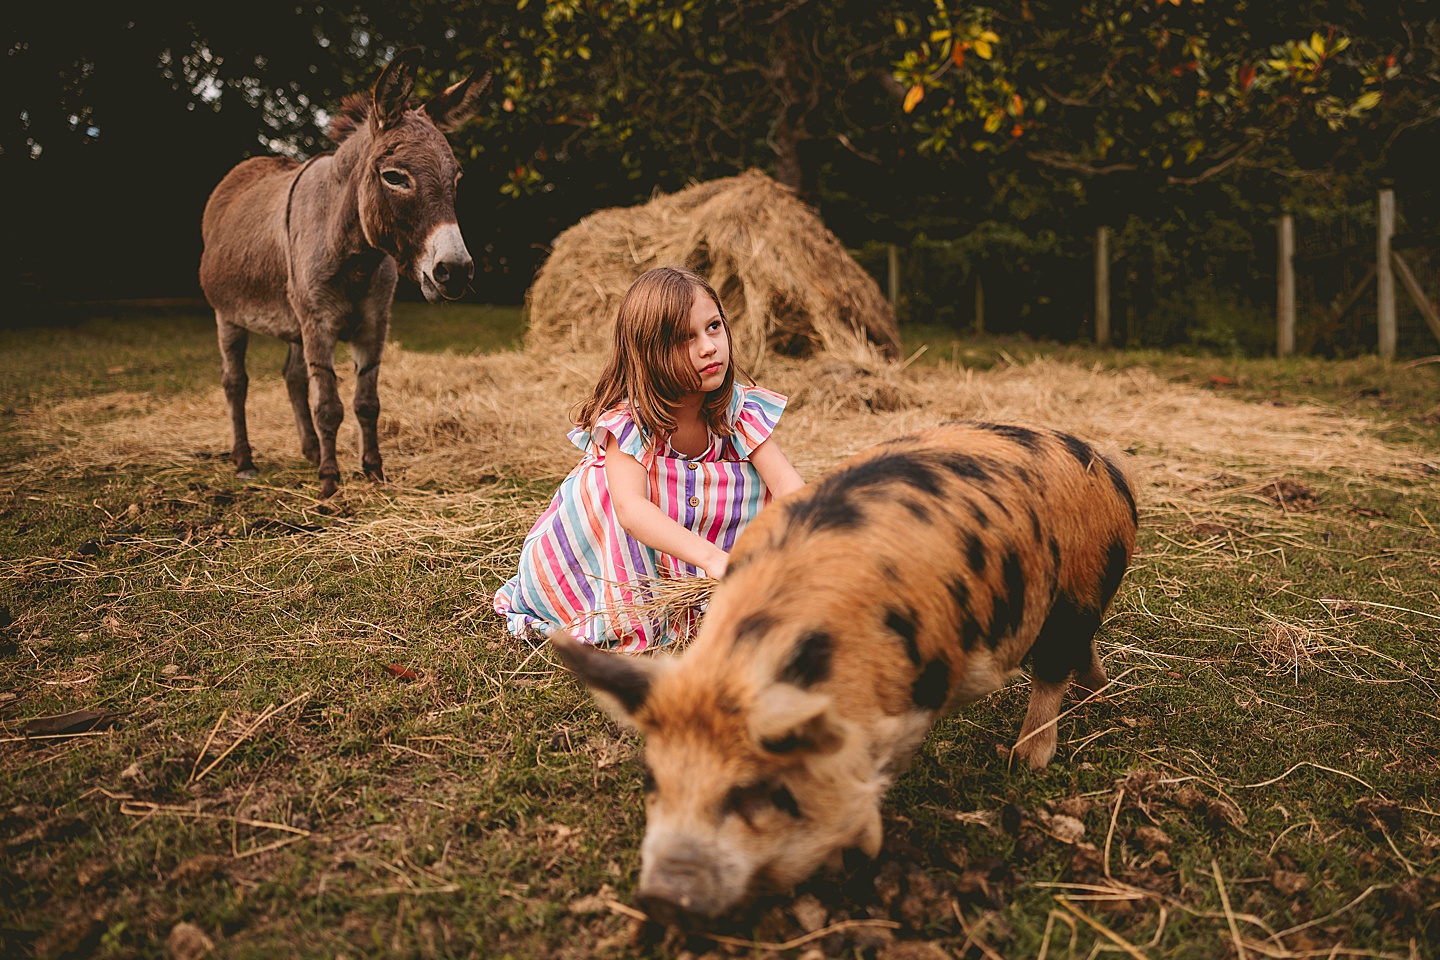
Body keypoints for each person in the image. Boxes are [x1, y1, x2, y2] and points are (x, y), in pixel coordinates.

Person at [493, 266, 805, 651]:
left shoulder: (737, 410)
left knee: (752, 489)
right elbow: (631, 510)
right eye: (685, 339)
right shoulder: (632, 422)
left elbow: (789, 488)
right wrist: (712, 560)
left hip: (704, 548)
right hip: (616, 561)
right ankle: (643, 611)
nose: (709, 347)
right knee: (609, 485)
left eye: (713, 327)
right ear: (650, 353)